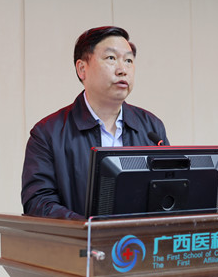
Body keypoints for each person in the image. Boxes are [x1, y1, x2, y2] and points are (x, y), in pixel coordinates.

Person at [21, 26, 169, 220]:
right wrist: (90, 229)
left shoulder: (151, 128)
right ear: (82, 69)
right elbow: (38, 202)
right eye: (111, 58)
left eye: (128, 60)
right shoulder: (48, 133)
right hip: (80, 239)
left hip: (141, 239)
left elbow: (168, 192)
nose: (122, 70)